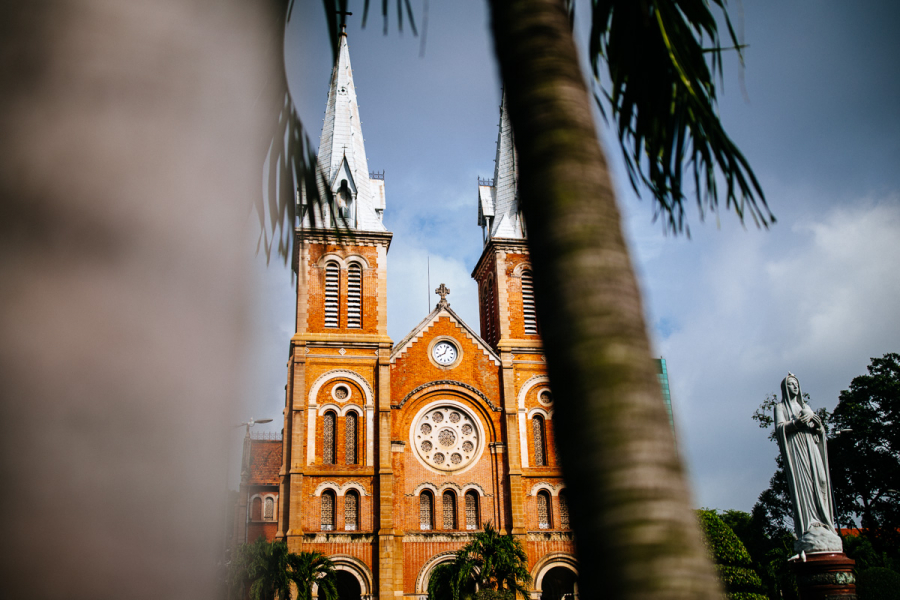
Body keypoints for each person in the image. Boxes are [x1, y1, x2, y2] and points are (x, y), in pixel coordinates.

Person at [775, 373, 842, 554]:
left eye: (796, 384)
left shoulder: (805, 406)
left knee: (820, 480)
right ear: (785, 388)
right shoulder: (780, 407)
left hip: (811, 447)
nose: (794, 387)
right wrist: (796, 423)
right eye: (790, 384)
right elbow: (780, 428)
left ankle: (824, 521)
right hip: (798, 450)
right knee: (805, 484)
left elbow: (818, 432)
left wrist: (819, 427)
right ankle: (810, 524)